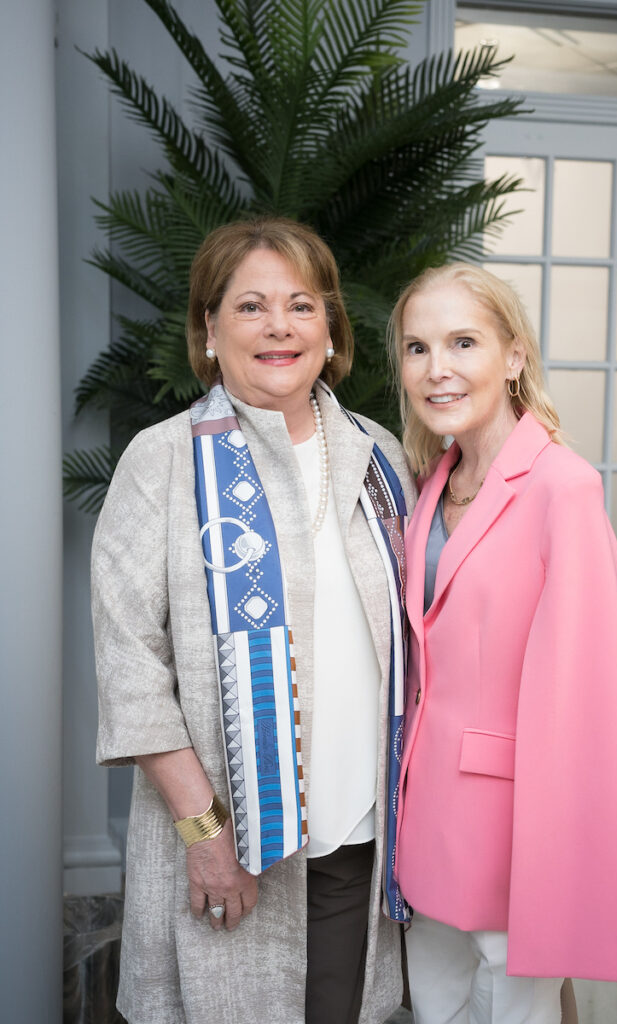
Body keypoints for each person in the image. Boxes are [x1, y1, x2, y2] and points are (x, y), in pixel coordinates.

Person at [92, 217, 417, 1024]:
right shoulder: (163, 459)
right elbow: (131, 667)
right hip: (224, 841)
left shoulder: (381, 457)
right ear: (209, 330)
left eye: (303, 305)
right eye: (251, 307)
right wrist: (205, 835)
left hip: (359, 837)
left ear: (331, 328)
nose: (280, 327)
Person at [387, 263, 617, 1024]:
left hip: (516, 812)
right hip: (422, 804)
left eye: (463, 342)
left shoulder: (563, 486)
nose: (438, 369)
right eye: (418, 348)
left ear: (514, 356)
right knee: (436, 1003)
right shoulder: (434, 479)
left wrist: (558, 840)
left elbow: (588, 686)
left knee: (515, 1006)